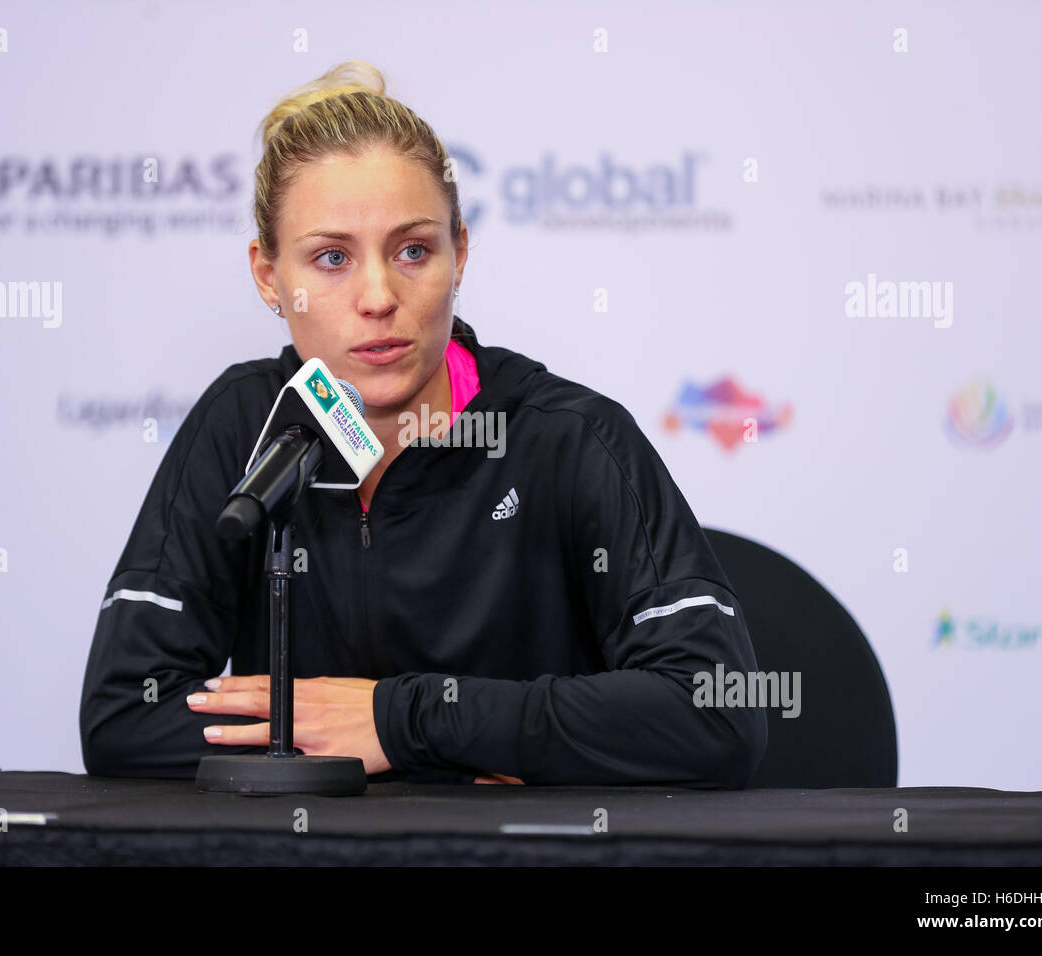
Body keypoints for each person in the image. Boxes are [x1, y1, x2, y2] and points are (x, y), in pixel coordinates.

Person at [79, 61, 767, 787]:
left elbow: (716, 712)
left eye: (413, 250)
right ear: (268, 277)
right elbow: (124, 715)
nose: (379, 296)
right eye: (332, 258)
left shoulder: (568, 436)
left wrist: (403, 723)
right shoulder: (243, 423)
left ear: (459, 253)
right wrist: (442, 753)